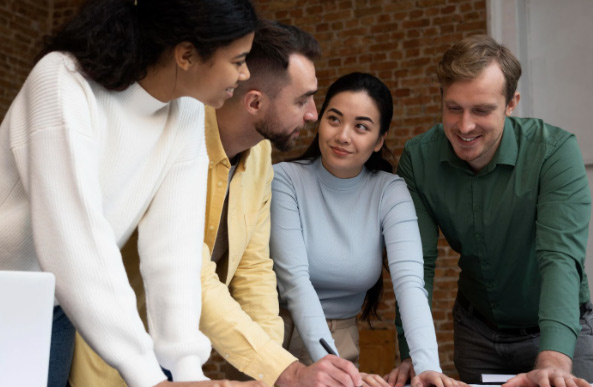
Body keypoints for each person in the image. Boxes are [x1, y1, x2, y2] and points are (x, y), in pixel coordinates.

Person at [68, 21, 364, 387]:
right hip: (112, 350)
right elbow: (193, 274)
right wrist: (286, 372)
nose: (313, 115)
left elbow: (254, 271)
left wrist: (276, 371)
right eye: (302, 100)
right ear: (254, 102)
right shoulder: (173, 134)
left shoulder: (260, 158)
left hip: (180, 357)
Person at [0, 0, 259, 386]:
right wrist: (147, 376)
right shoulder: (62, 81)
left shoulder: (185, 112)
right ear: (186, 54)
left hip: (53, 303)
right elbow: (73, 238)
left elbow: (174, 249)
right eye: (238, 60)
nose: (246, 73)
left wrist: (187, 370)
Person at [387, 35, 593, 387]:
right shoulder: (419, 158)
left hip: (558, 330)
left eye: (482, 110)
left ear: (511, 104)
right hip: (478, 333)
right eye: (453, 108)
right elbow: (416, 266)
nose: (464, 126)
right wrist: (413, 354)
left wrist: (553, 359)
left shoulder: (553, 152)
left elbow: (559, 258)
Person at [270, 72, 460, 387]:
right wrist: (330, 366)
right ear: (319, 121)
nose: (343, 135)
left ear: (379, 140)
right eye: (334, 119)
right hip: (275, 338)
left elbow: (410, 283)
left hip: (341, 336)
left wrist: (427, 366)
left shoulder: (390, 191)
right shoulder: (285, 179)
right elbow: (295, 283)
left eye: (361, 126)